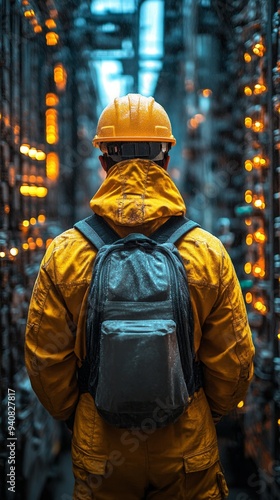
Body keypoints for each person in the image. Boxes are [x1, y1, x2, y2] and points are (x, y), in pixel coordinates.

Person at [25, 93, 255, 499]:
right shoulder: (206, 251)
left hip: (102, 451)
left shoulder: (66, 253)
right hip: (186, 448)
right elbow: (234, 362)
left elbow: (45, 360)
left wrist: (80, 414)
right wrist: (201, 411)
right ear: (166, 160)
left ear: (103, 162)